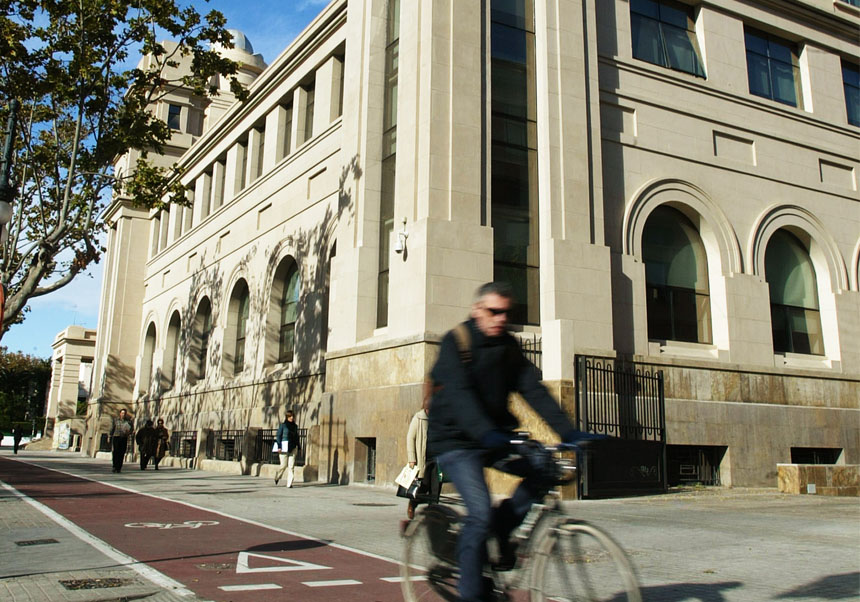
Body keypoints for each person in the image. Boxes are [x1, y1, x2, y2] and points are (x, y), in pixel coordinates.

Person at [428, 281, 599, 602]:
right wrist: (486, 433)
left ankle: (500, 530)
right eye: (494, 311)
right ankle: (471, 593)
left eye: (506, 312)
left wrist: (568, 432)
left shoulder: (508, 346)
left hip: (495, 436)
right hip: (456, 441)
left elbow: (532, 389)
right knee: (478, 512)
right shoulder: (457, 342)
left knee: (542, 470)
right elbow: (460, 395)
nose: (500, 318)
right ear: (477, 310)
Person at [405, 397, 430, 519]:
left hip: (435, 459)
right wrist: (412, 458)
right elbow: (410, 437)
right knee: (422, 486)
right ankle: (412, 504)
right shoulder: (418, 418)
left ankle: (433, 512)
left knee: (435, 487)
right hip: (422, 459)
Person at [274, 410, 300, 487]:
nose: (291, 418)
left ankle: (289, 483)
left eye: (292, 416)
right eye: (290, 416)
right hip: (284, 447)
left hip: (293, 447)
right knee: (283, 465)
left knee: (291, 466)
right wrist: (279, 446)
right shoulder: (283, 426)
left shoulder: (295, 426)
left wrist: (298, 446)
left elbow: (296, 437)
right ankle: (277, 476)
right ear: (287, 417)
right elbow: (278, 436)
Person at [109, 409, 133, 473]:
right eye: (122, 413)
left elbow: (131, 429)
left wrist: (129, 432)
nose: (123, 414)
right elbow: (112, 428)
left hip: (124, 437)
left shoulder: (128, 421)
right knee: (115, 452)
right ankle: (114, 466)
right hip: (116, 437)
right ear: (120, 414)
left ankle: (119, 467)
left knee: (122, 453)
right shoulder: (116, 420)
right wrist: (110, 436)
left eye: (124, 413)